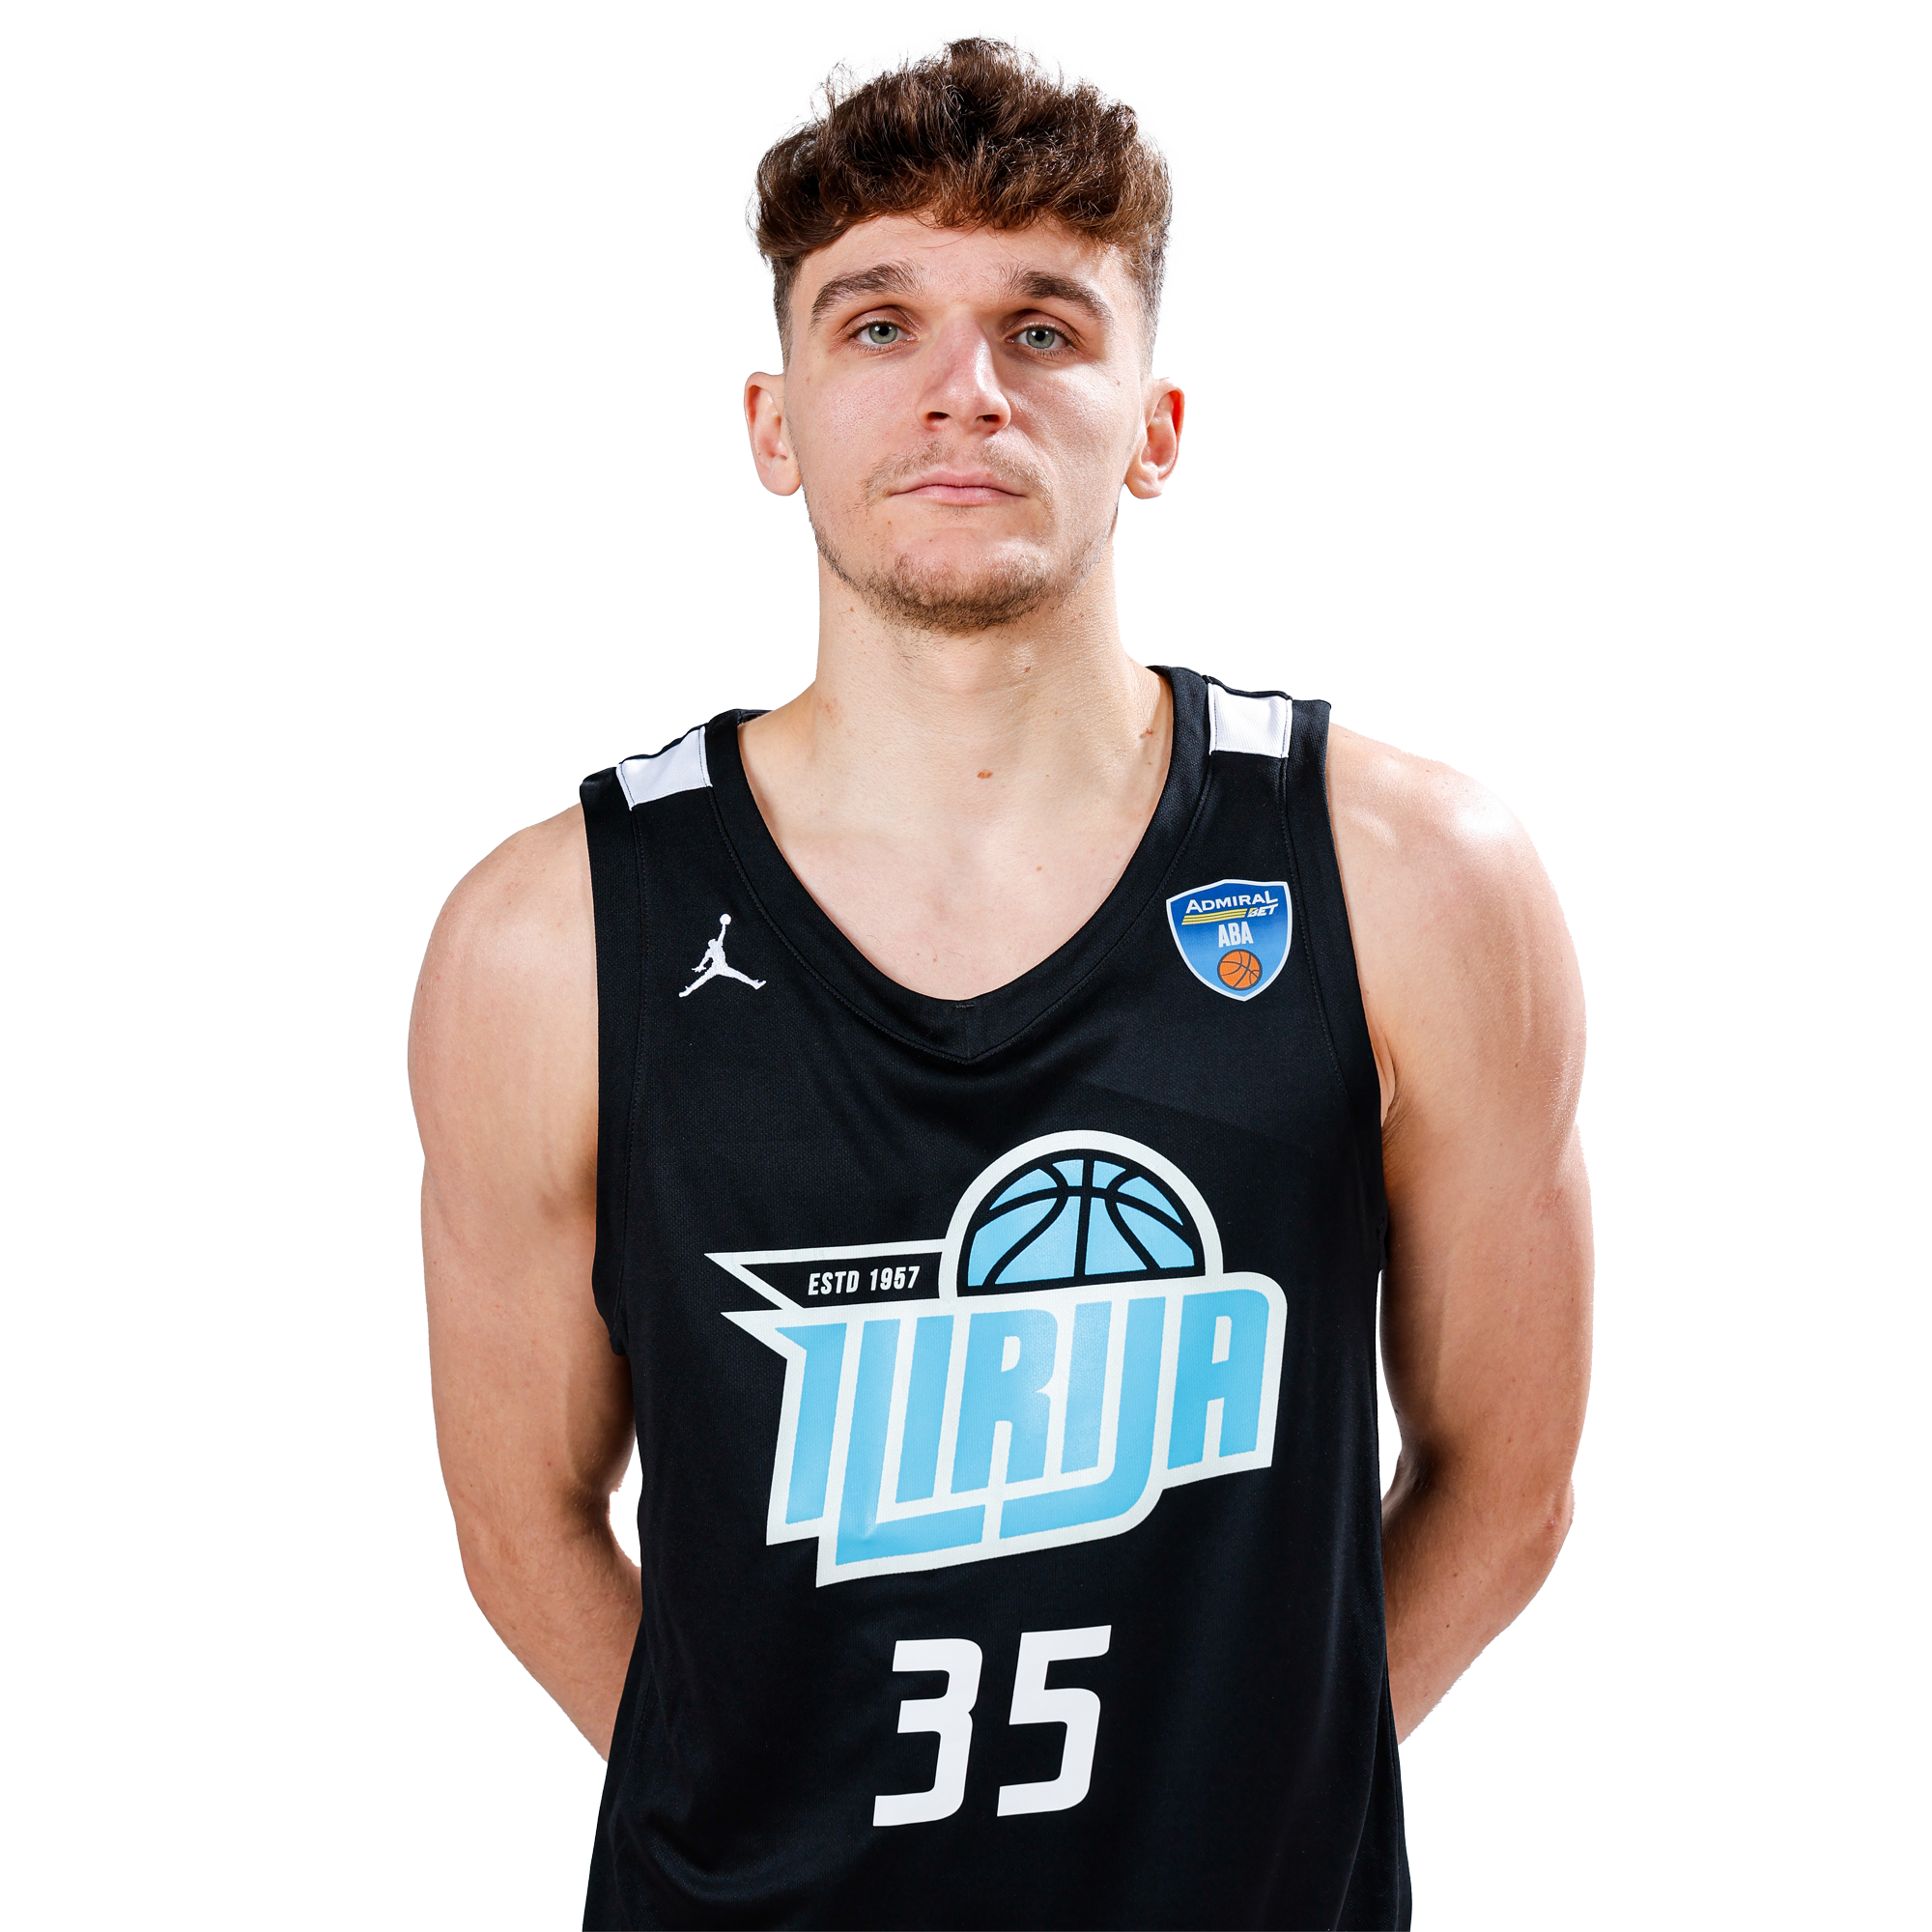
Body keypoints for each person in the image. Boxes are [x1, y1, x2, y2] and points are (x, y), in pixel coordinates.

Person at [409, 35, 1591, 1931]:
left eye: (1043, 329)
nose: (964, 389)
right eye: (878, 325)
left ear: (1155, 425)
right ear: (775, 422)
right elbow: (519, 1522)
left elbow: (1507, 1482)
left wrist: (1243, 1819)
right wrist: (773, 1839)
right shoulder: (545, 941)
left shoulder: (1415, 880)